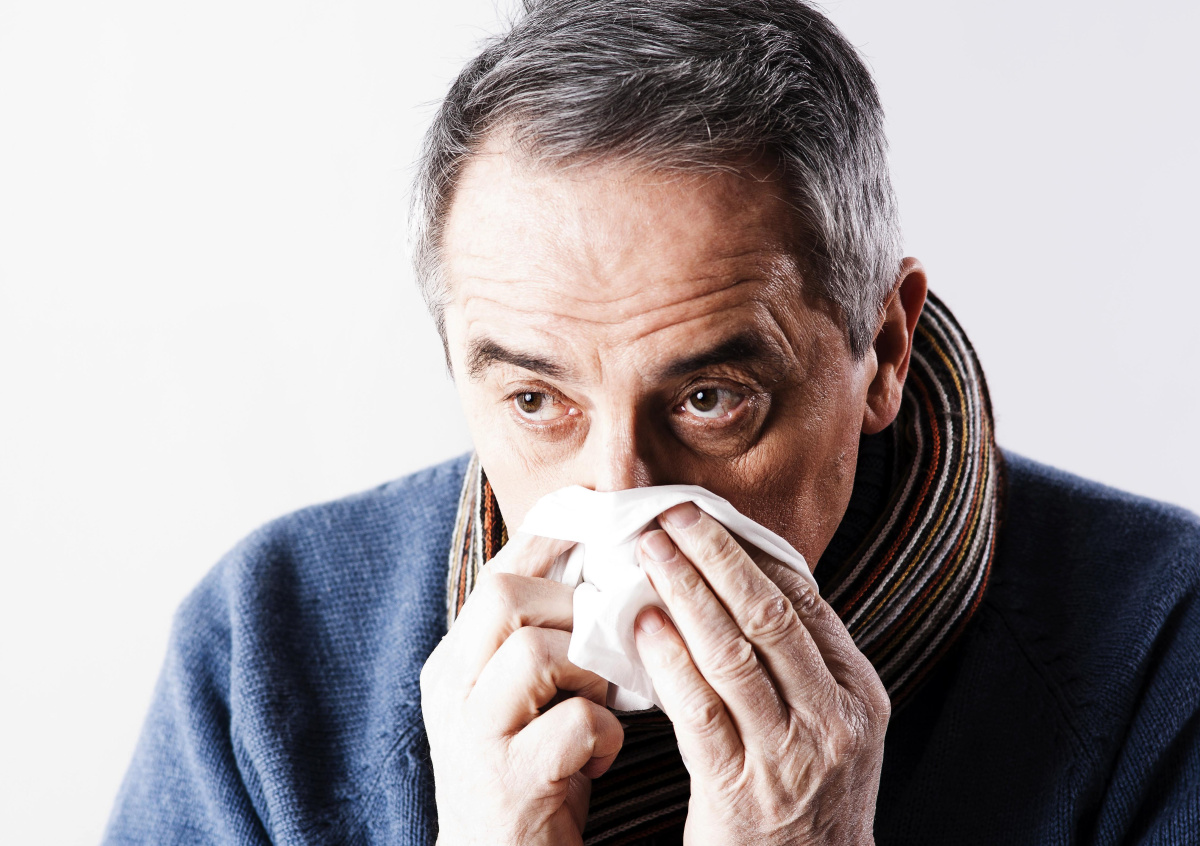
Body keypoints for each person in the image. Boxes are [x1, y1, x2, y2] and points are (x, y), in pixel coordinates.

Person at [103, 1, 1200, 844]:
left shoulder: (1161, 650)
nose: (618, 497)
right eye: (537, 402)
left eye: (709, 399)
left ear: (883, 348)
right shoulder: (270, 654)